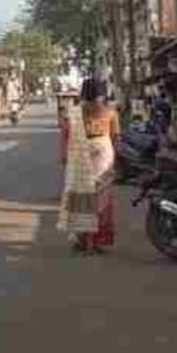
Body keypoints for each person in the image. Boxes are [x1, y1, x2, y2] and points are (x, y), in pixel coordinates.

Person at [62, 84, 121, 254]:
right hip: (103, 152)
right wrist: (115, 162)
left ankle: (83, 240)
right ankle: (94, 242)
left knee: (81, 197)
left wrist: (65, 158)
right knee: (100, 199)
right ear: (101, 94)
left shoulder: (73, 112)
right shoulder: (110, 112)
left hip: (81, 150)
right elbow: (116, 138)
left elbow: (66, 136)